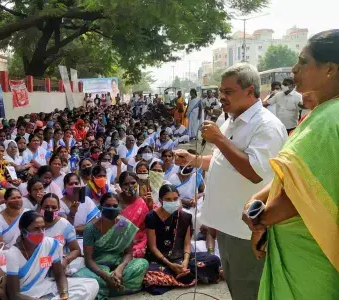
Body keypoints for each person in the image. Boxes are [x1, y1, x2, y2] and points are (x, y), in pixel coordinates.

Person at [175, 63, 287, 300]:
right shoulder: (231, 121)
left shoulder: (266, 126)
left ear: (249, 91)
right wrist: (195, 160)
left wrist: (218, 139)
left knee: (249, 289)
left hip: (246, 230)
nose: (221, 97)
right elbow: (221, 161)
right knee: (236, 286)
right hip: (226, 225)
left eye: (228, 92)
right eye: (220, 91)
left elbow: (255, 172)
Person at [243, 30, 339, 300]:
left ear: (330, 69)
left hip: (310, 250)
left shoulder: (327, 121)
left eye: (303, 61)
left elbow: (304, 191)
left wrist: (260, 220)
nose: (295, 69)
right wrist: (258, 197)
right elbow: (297, 175)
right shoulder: (322, 115)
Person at [143, 184, 221, 295]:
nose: (172, 202)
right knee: (151, 276)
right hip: (160, 259)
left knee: (213, 260)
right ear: (160, 200)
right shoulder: (151, 217)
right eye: (168, 199)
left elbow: (187, 244)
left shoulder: (185, 217)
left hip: (180, 257)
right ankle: (186, 275)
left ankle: (180, 273)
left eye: (175, 199)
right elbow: (152, 247)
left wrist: (185, 261)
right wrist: (170, 264)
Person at [5, 210, 99, 299]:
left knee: (91, 284)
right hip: (26, 295)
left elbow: (59, 274)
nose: (41, 232)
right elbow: (14, 295)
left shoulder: (50, 244)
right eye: (36, 229)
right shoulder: (13, 254)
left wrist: (64, 294)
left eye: (43, 228)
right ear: (24, 231)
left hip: (46, 286)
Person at [74, 193, 149, 299]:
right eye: (108, 205)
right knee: (79, 276)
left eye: (115, 206)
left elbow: (128, 253)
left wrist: (120, 269)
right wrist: (106, 276)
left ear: (119, 207)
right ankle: (120, 287)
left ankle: (104, 289)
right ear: (100, 207)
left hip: (118, 263)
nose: (111, 208)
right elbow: (89, 260)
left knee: (142, 263)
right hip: (99, 267)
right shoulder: (91, 228)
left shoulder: (123, 225)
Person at [39, 193, 84, 273]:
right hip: (37, 264)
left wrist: (66, 260)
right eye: (46, 207)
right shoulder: (33, 224)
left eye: (54, 207)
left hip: (57, 264)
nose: (50, 210)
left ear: (59, 209)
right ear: (40, 208)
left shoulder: (65, 225)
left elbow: (76, 250)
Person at [119, 172, 151, 258]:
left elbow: (151, 221)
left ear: (138, 183)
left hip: (140, 239)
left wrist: (150, 206)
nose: (130, 186)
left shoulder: (144, 200)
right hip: (120, 239)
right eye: (126, 184)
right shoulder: (115, 201)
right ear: (121, 186)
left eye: (133, 183)